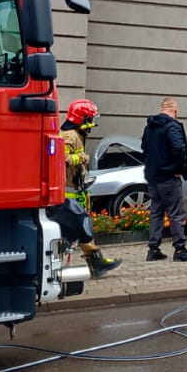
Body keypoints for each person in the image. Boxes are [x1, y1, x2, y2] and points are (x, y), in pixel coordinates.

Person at [59, 98, 121, 279]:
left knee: (81, 226)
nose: (93, 123)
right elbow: (61, 158)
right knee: (77, 227)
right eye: (91, 118)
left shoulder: (76, 134)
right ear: (83, 119)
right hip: (67, 192)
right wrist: (81, 158)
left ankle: (96, 263)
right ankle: (95, 262)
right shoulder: (70, 136)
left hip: (74, 190)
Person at [141, 97, 187, 263]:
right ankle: (180, 249)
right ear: (174, 109)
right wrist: (179, 169)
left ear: (162, 108)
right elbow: (179, 148)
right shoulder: (172, 126)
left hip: (153, 177)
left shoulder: (150, 127)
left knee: (156, 212)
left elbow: (144, 148)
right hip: (169, 177)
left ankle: (153, 250)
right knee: (176, 213)